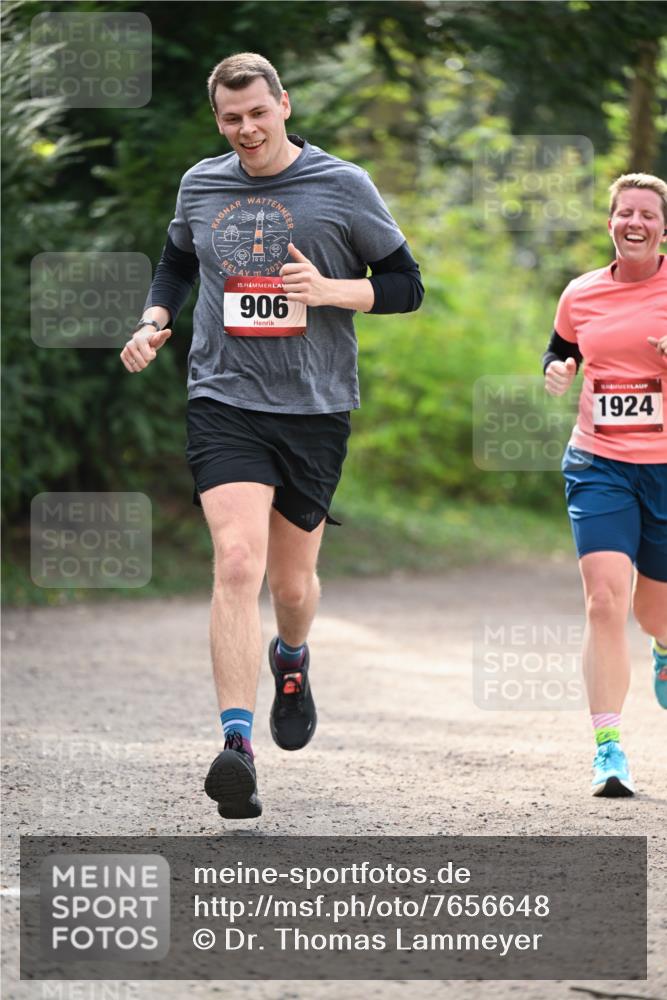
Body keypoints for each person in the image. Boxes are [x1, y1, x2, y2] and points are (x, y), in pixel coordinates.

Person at [119, 53, 424, 819]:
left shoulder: (342, 186)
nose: (246, 129)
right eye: (231, 119)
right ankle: (235, 747)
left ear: (283, 104)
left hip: (315, 407)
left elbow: (406, 285)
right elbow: (177, 260)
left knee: (291, 587)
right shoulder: (202, 183)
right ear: (218, 121)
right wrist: (156, 320)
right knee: (236, 560)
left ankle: (290, 657)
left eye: (257, 112)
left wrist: (330, 291)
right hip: (223, 397)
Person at [543, 172, 667, 797]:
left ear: (663, 228)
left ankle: (665, 648)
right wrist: (558, 369)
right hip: (600, 462)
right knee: (604, 601)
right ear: (611, 222)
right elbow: (560, 347)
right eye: (625, 213)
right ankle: (609, 749)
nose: (635, 223)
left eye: (647, 214)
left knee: (655, 611)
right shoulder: (582, 293)